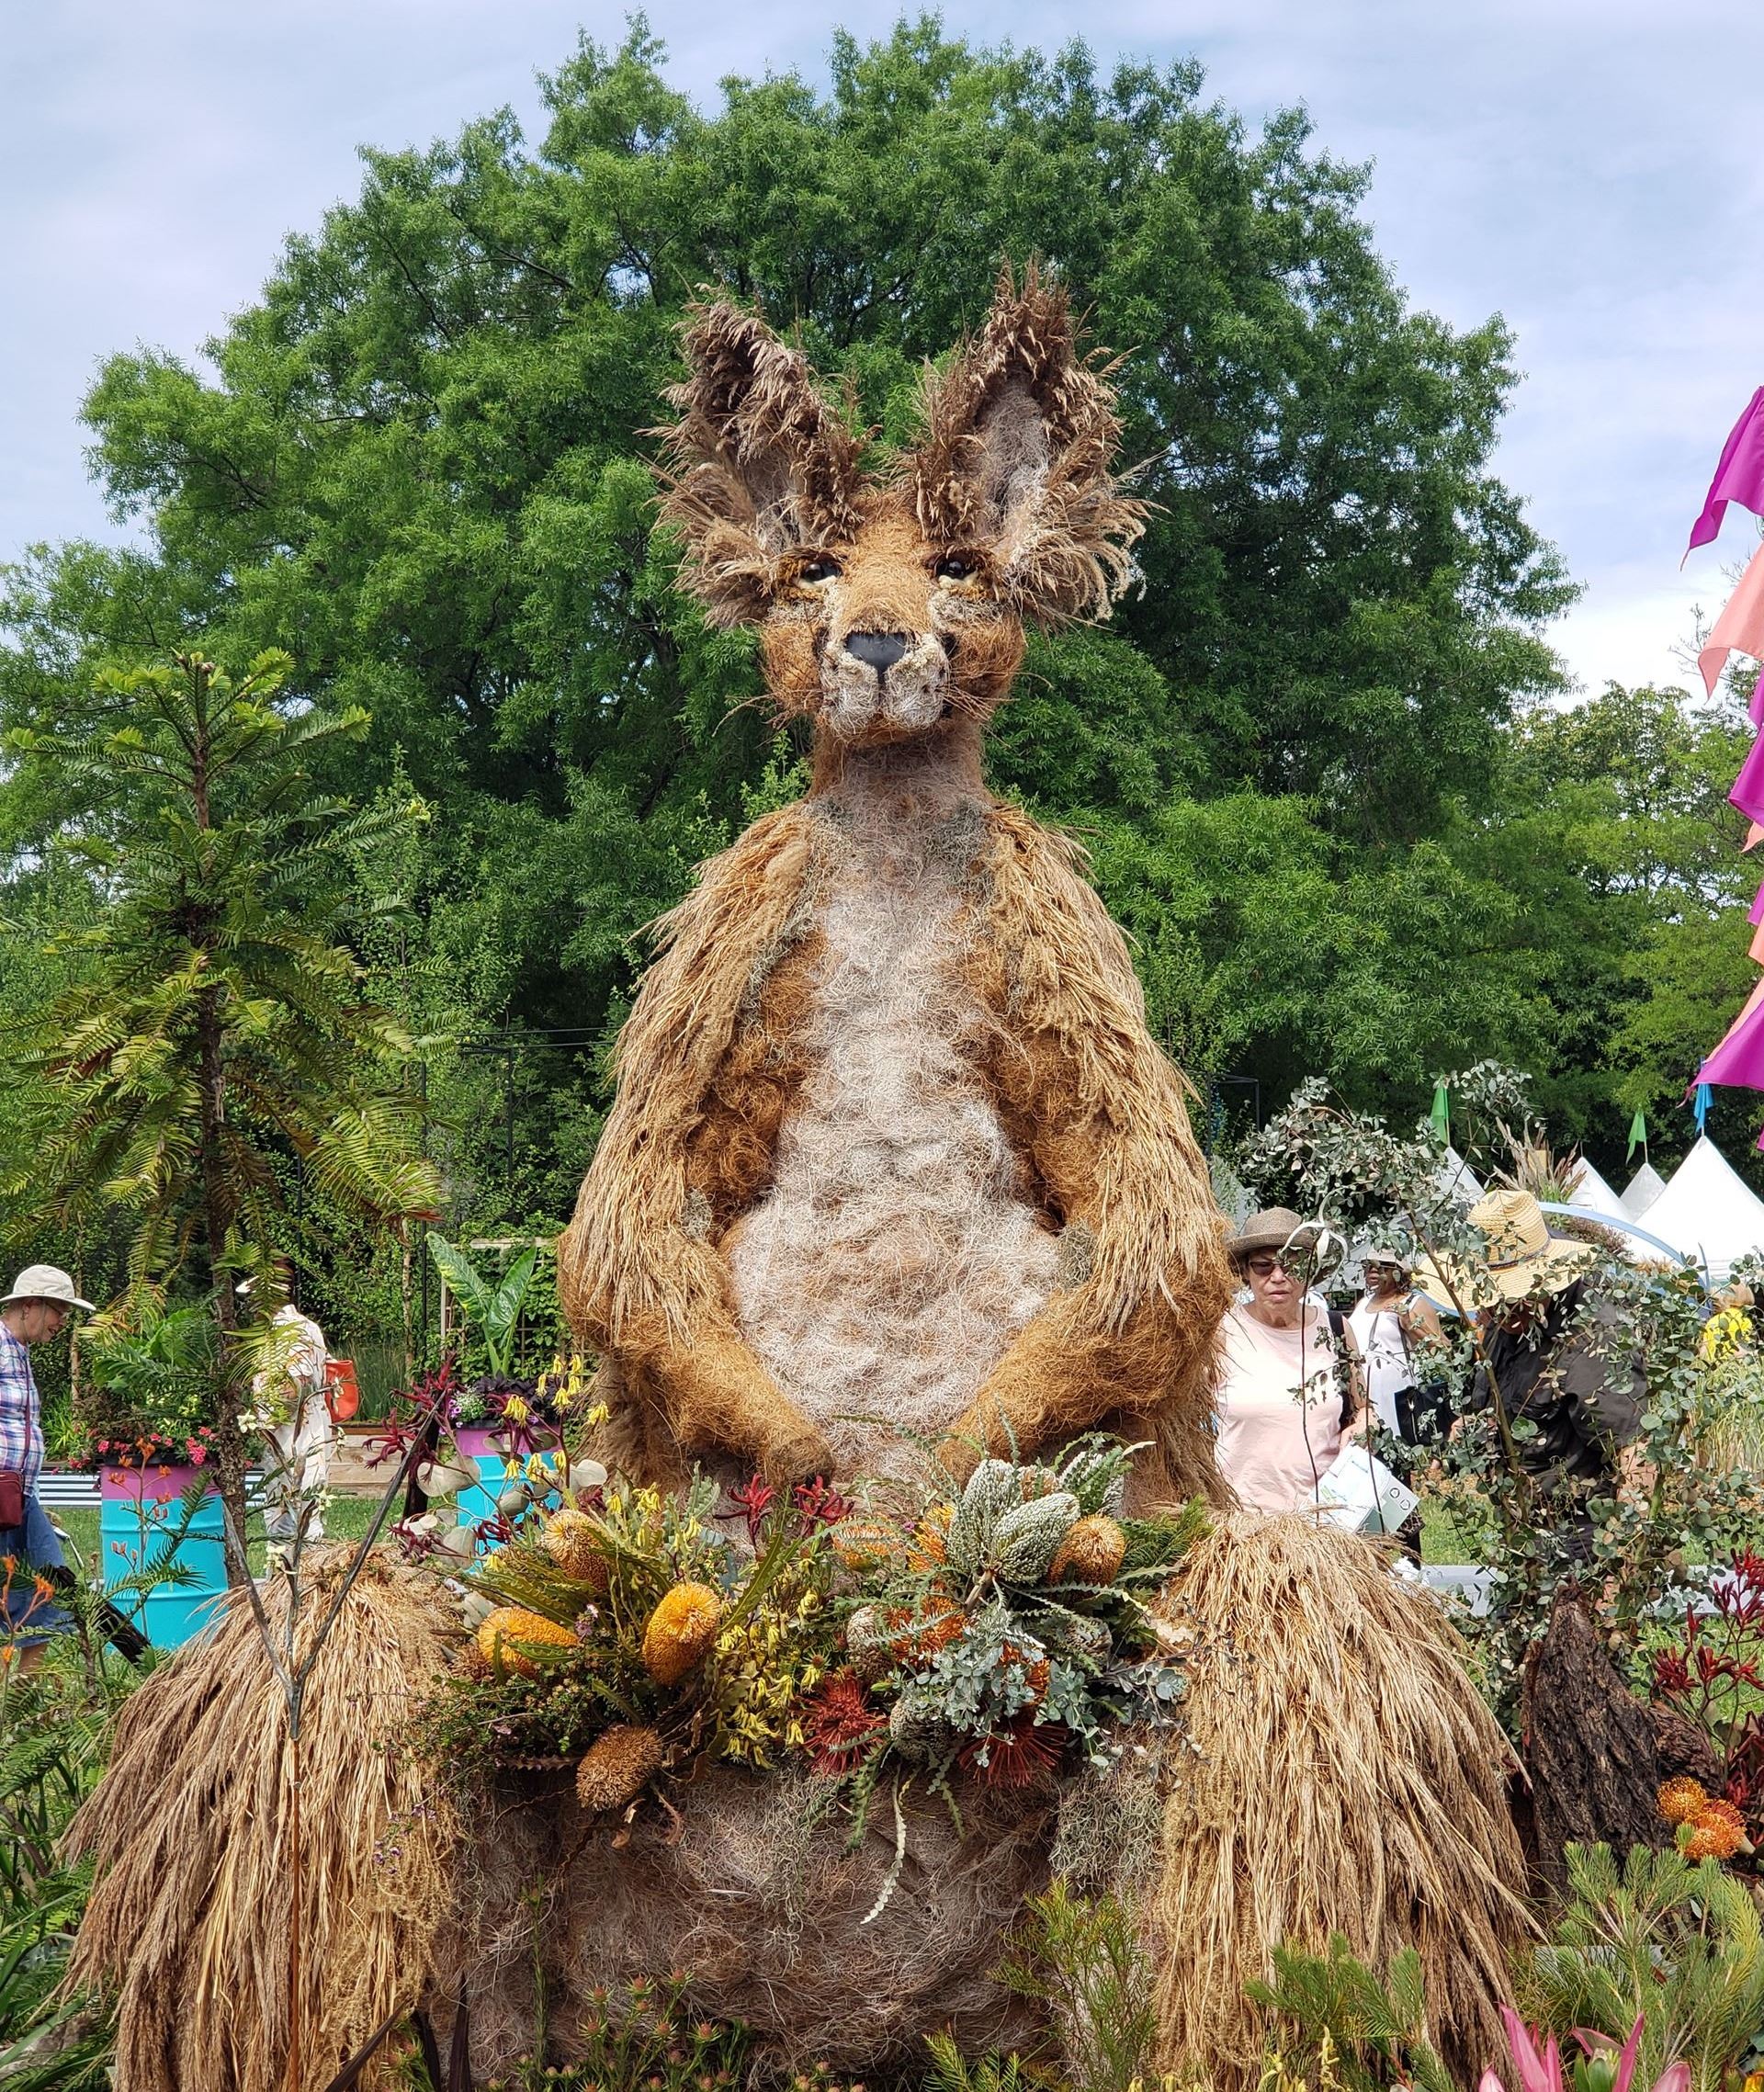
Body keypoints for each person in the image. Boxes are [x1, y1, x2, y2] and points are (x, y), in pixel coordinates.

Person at [1450, 1189, 1644, 1529]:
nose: (1499, 1308)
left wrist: (1626, 1565)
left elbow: (1635, 1456)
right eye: (1491, 1296)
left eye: (1511, 1293)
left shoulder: (1591, 1340)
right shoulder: (1503, 1325)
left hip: (1584, 1544)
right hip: (1525, 1538)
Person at [1214, 1207, 1364, 1514]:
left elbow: (1363, 1408)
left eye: (1291, 1265)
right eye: (1263, 1267)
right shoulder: (1222, 1332)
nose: (1278, 1277)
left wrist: (1362, 1427)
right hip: (1244, 1521)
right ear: (1245, 1271)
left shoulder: (1336, 1329)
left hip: (1328, 1519)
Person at [0, 1264, 93, 1668]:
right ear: (31, 1305)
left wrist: (31, 1498)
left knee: (49, 1588)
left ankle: (25, 1713)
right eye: (59, 1310)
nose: (62, 1322)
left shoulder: (20, 1354)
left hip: (18, 1498)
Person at [246, 1278, 332, 1558]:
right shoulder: (292, 1329)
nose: (249, 1305)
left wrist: (263, 1421)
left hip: (297, 1431)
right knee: (283, 1511)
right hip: (291, 1432)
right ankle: (282, 1585)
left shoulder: (293, 1331)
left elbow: (297, 1383)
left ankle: (303, 1582)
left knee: (302, 1512)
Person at [1348, 1237, 1445, 1445]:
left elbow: (1443, 1351)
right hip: (1364, 1395)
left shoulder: (1413, 1302)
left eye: (1380, 1267)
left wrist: (1410, 1324)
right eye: (1368, 1266)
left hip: (1397, 1396)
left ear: (1397, 1272)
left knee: (1397, 1450)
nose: (1372, 1272)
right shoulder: (1364, 1302)